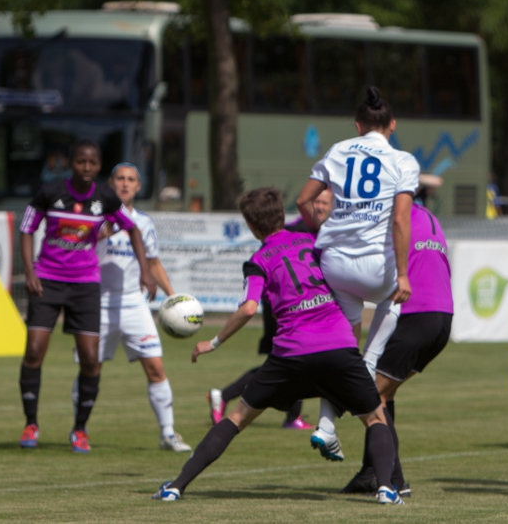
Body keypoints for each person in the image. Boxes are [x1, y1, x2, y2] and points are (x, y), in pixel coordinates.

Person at [152, 187, 403, 505]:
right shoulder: (314, 243)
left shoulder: (258, 260)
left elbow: (247, 308)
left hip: (291, 354)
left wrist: (213, 342)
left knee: (237, 418)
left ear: (252, 226)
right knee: (375, 419)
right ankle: (385, 490)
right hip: (337, 346)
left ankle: (176, 486)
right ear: (281, 215)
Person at [295, 86, 419, 461]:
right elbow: (400, 218)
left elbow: (303, 201)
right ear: (392, 125)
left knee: (342, 349)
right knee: (373, 344)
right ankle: (365, 374)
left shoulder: (337, 150)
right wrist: (403, 274)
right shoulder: (403, 160)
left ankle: (326, 426)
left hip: (334, 264)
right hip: (376, 268)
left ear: (357, 125)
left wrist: (323, 230)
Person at [18, 139, 157, 453]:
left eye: (92, 163)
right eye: (81, 162)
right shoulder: (51, 193)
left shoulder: (105, 197)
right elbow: (26, 228)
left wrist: (145, 270)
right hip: (48, 281)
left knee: (91, 359)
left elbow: (133, 228)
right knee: (35, 351)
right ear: (71, 163)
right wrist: (30, 271)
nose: (86, 168)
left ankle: (80, 429)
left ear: (98, 166)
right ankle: (31, 424)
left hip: (85, 285)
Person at [69, 162, 190, 452]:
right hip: (97, 303)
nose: (125, 184)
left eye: (131, 180)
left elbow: (152, 263)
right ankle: (79, 430)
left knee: (156, 367)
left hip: (134, 304)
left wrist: (172, 298)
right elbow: (72, 247)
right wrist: (100, 232)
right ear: (111, 184)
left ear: (138, 186)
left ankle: (168, 433)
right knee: (90, 369)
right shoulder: (92, 215)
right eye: (120, 178)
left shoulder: (144, 222)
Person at [339, 200, 454, 497]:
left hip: (416, 313)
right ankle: (370, 472)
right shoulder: (426, 214)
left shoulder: (394, 217)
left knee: (371, 393)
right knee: (384, 393)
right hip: (440, 315)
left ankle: (394, 478)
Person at [207, 189, 335, 429]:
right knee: (291, 362)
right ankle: (230, 399)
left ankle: (286, 414)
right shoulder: (299, 232)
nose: (319, 207)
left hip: (303, 310)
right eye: (316, 201)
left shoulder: (321, 233)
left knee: (289, 364)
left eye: (324, 203)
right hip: (286, 309)